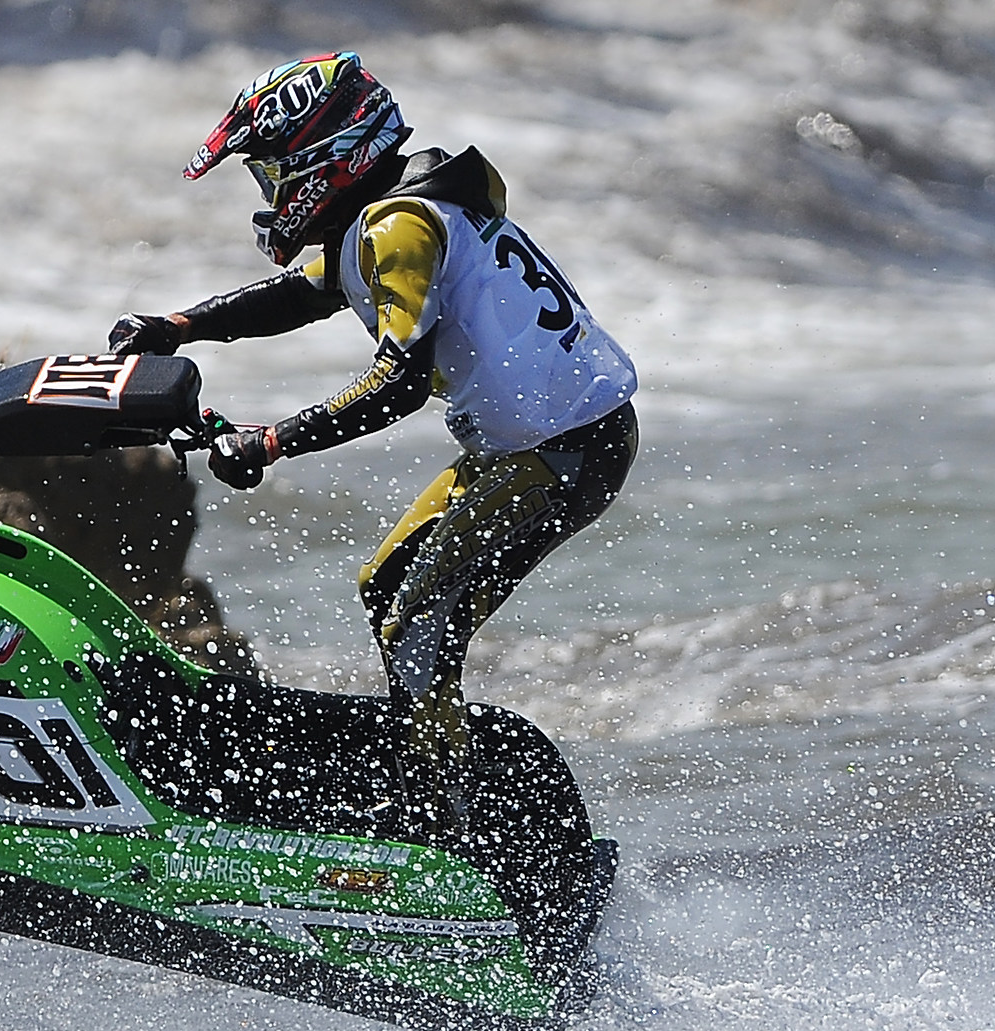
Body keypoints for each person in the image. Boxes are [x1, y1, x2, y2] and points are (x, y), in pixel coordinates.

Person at [109, 51, 638, 832]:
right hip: (545, 444)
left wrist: (270, 442)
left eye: (270, 173)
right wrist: (181, 326)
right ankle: (444, 762)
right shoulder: (409, 203)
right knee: (388, 586)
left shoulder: (401, 226)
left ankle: (448, 827)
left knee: (417, 622)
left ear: (324, 157)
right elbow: (308, 290)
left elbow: (397, 383)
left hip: (561, 453)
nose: (268, 194)